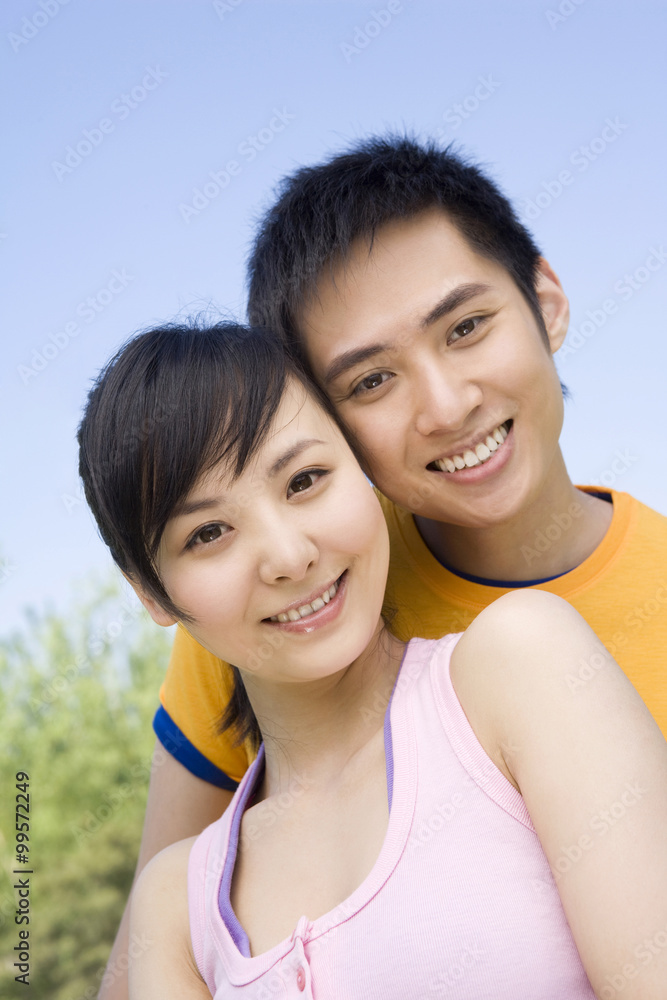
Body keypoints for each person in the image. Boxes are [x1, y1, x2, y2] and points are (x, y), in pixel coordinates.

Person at [97, 138, 667, 997]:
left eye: (467, 327)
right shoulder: (286, 599)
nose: (445, 406)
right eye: (370, 382)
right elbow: (161, 936)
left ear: (546, 302)